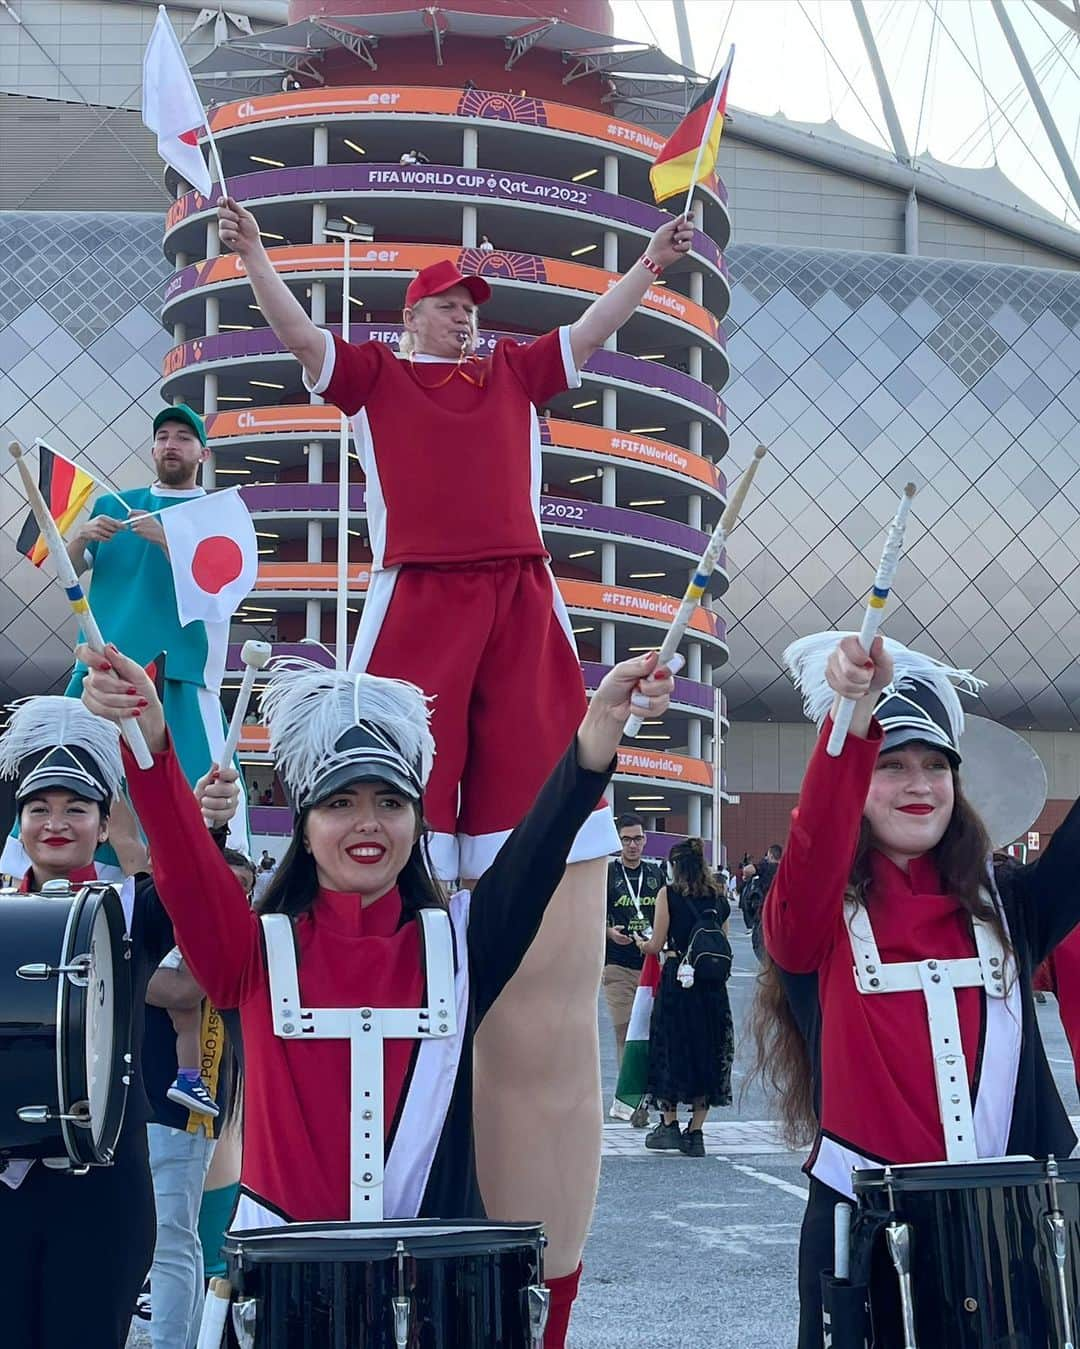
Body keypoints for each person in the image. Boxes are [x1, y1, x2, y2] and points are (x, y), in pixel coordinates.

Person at [216, 190, 694, 1328]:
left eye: (476, 309)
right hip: (422, 598)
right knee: (379, 802)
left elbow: (593, 330)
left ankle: (539, 1294)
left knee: (550, 820)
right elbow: (292, 336)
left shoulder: (518, 377)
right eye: (451, 307)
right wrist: (249, 256)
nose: (468, 322)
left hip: (519, 601)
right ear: (412, 314)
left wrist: (647, 263)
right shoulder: (375, 378)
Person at [80, 642, 674, 1348]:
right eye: (341, 802)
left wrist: (598, 733)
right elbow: (181, 864)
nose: (368, 822)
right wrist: (150, 741)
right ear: (305, 825)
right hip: (284, 1308)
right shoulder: (250, 954)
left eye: (389, 801)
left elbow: (538, 849)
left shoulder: (463, 946)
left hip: (437, 1309)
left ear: (417, 822)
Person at [753, 631, 1080, 1349]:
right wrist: (853, 718)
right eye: (892, 764)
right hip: (863, 1240)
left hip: (1005, 1236)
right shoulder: (813, 916)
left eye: (936, 765)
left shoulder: (1010, 903)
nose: (919, 784)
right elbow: (813, 850)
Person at [2, 405, 246, 872]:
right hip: (99, 675)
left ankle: (198, 883)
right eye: (163, 436)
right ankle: (37, 891)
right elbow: (67, 572)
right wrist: (80, 537)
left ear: (203, 453)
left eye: (183, 437)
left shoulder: (218, 512)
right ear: (153, 448)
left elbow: (230, 585)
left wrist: (169, 539)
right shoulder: (113, 504)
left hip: (179, 675)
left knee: (196, 793)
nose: (171, 444)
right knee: (66, 784)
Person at [0, 697, 175, 1349]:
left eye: (76, 808)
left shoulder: (129, 914)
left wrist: (135, 838)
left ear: (103, 823)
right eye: (39, 807)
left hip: (102, 1196)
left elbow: (182, 892)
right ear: (18, 821)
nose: (55, 822)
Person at [143, 933, 237, 1349]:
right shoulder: (139, 906)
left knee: (170, 1237)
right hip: (147, 1098)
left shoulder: (208, 920)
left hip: (182, 1102)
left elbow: (181, 990)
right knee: (179, 1237)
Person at [636, 838, 734, 1157]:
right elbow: (723, 941)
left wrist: (641, 943)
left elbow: (656, 943)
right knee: (708, 1051)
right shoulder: (719, 896)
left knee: (672, 1047)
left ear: (675, 866)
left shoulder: (669, 894)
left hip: (679, 977)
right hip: (712, 985)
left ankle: (669, 1125)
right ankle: (696, 1134)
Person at [604, 812, 664, 1125]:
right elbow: (592, 915)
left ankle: (649, 1096)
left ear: (645, 840)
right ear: (618, 841)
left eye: (637, 838)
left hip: (652, 965)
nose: (632, 845)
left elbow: (669, 915)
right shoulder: (608, 874)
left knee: (652, 1034)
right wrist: (609, 932)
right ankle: (631, 1102)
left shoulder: (656, 874)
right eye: (626, 839)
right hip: (617, 965)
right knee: (626, 1033)